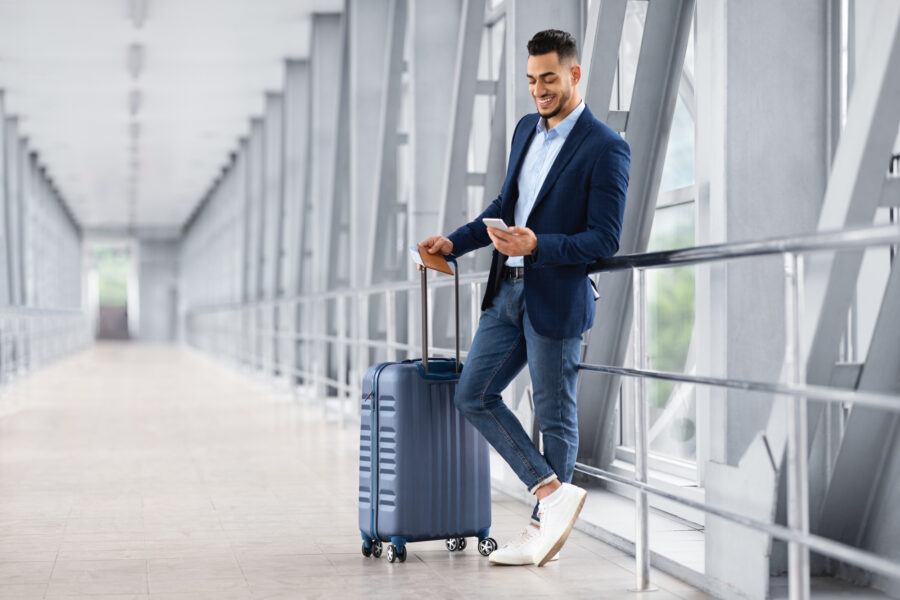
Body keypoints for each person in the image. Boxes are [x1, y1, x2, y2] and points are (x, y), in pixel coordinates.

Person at [419, 29, 630, 566]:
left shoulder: (606, 148)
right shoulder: (524, 131)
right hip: (506, 291)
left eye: (550, 79)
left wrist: (538, 245)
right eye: (532, 80)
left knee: (553, 415)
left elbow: (604, 240)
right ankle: (552, 493)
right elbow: (505, 202)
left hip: (555, 294)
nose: (539, 90)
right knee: (473, 394)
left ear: (575, 74)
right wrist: (456, 242)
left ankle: (545, 539)